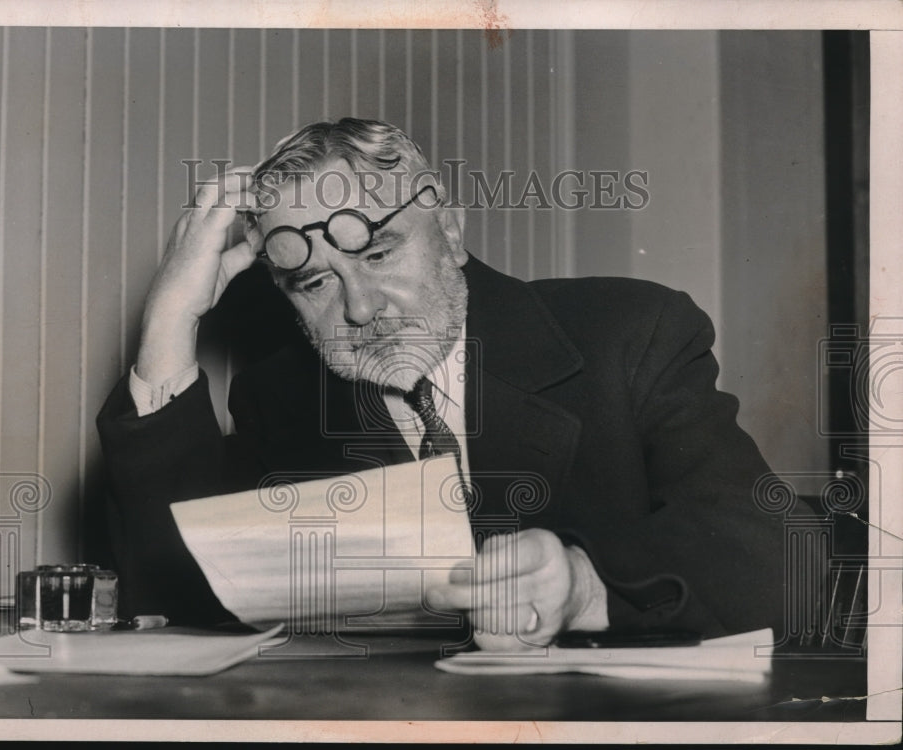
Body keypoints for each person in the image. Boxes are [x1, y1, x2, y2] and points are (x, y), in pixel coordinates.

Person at [97, 117, 785, 650]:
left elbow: (774, 553)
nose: (360, 308)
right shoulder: (277, 398)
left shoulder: (629, 335)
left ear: (450, 232)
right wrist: (167, 323)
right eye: (314, 283)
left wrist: (585, 584)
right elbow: (175, 596)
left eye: (378, 251)